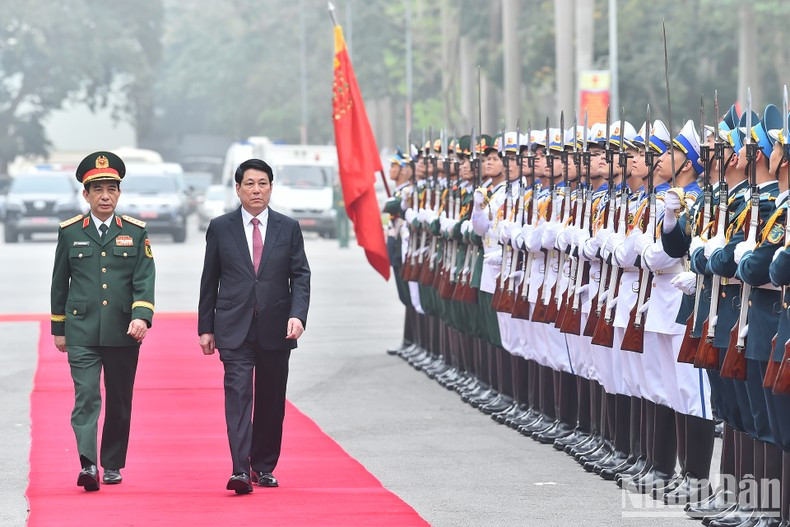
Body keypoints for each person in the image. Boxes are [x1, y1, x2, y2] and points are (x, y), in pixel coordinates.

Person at [198, 158, 311, 494]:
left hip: (277, 326)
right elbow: (209, 280)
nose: (256, 190)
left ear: (271, 187)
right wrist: (206, 327)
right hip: (234, 327)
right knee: (238, 396)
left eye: (263, 183)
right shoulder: (221, 227)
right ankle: (239, 469)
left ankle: (263, 466)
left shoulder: (288, 228)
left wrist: (298, 315)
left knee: (271, 400)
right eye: (249, 183)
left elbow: (300, 276)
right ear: (238, 189)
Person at [50, 151, 155, 491]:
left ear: (119, 193)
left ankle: (111, 464)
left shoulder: (135, 232)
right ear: (86, 194)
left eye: (111, 189)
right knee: (86, 396)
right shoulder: (70, 233)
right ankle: (88, 463)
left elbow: (144, 279)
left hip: (124, 331)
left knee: (120, 400)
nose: (105, 196)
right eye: (98, 190)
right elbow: (59, 282)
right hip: (81, 331)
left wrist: (142, 317)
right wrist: (59, 329)